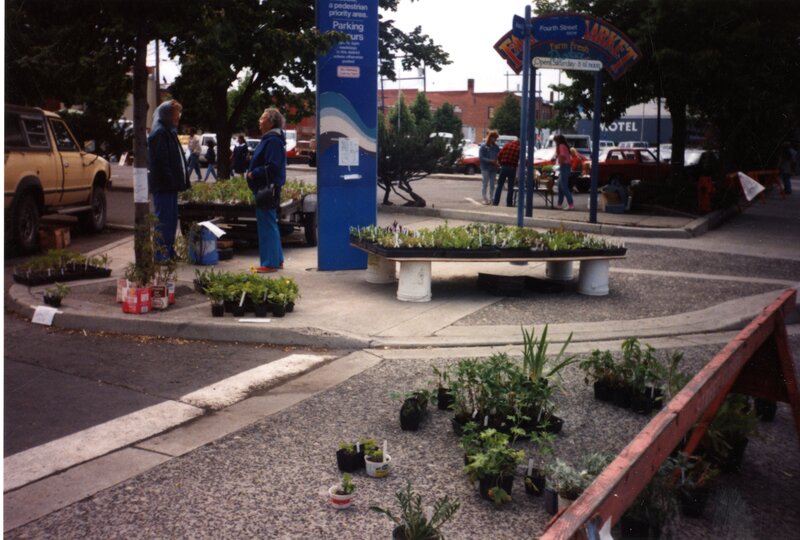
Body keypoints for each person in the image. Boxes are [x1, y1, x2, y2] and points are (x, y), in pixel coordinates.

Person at [147, 100, 189, 261]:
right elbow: (161, 162)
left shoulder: (167, 131)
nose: (178, 118)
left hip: (169, 185)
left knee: (170, 220)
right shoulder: (160, 133)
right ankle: (161, 254)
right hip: (164, 185)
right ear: (167, 115)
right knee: (164, 220)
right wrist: (172, 180)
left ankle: (168, 252)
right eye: (175, 115)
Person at [246, 108, 286, 273]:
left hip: (266, 188)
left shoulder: (272, 141)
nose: (259, 121)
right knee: (270, 222)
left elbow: (273, 166)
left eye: (262, 118)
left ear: (270, 122)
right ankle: (277, 259)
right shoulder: (273, 139)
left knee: (267, 224)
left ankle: (269, 263)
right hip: (268, 187)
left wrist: (253, 173)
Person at [493, 138, 520, 207]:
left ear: (513, 141)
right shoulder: (518, 149)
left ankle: (496, 202)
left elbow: (499, 155)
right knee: (510, 186)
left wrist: (500, 163)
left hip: (504, 167)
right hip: (512, 168)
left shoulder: (506, 146)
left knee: (500, 185)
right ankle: (509, 203)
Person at [479, 131, 500, 204]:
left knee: (492, 184)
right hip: (485, 167)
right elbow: (481, 157)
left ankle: (491, 198)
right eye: (493, 137)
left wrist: (497, 162)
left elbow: (498, 156)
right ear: (490, 137)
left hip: (493, 168)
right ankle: (485, 198)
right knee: (485, 183)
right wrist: (490, 161)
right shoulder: (483, 146)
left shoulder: (496, 147)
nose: (495, 139)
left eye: (496, 138)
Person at [554, 134, 574, 210]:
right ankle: (559, 204)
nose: (555, 143)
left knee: (564, 186)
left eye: (556, 141)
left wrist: (560, 164)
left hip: (564, 166)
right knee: (560, 186)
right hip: (566, 166)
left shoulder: (561, 146)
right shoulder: (564, 145)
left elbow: (562, 156)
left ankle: (571, 204)